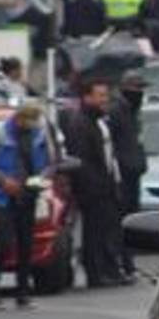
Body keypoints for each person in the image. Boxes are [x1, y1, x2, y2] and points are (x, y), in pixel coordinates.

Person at [63, 80, 131, 288]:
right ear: (87, 97)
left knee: (106, 230)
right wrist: (97, 186)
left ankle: (108, 269)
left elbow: (108, 156)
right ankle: (96, 272)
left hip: (106, 186)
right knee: (94, 233)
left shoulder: (100, 122)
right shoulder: (80, 123)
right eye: (100, 95)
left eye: (106, 95)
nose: (105, 100)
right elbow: (82, 161)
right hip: (93, 190)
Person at [0, 101, 51, 308]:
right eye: (30, 121)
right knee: (3, 242)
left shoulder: (37, 134)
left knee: (26, 245)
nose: (33, 125)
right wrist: (3, 181)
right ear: (20, 118)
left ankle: (23, 292)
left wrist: (42, 178)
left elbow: (46, 163)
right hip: (2, 195)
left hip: (28, 194)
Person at [108, 70, 149, 276]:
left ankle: (128, 262)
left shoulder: (133, 113)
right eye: (136, 88)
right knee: (123, 219)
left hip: (133, 174)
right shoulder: (117, 111)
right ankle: (122, 262)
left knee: (131, 218)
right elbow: (112, 146)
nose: (140, 93)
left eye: (142, 89)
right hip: (122, 176)